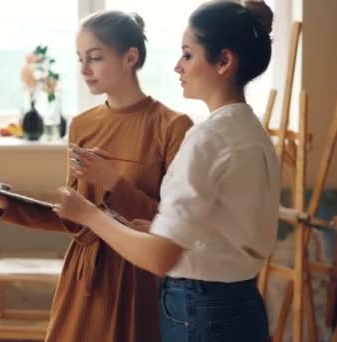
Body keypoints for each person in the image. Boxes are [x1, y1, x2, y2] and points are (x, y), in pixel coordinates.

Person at [0, 9, 193, 342]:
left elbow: (170, 227)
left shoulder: (172, 127)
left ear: (131, 57)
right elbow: (73, 218)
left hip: (138, 280)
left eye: (95, 58)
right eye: (80, 58)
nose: (84, 69)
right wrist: (2, 200)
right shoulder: (82, 126)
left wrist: (114, 182)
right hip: (83, 279)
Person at [54, 1, 279, 341]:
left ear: (224, 61)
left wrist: (90, 215)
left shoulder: (203, 138)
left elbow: (159, 258)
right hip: (241, 304)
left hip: (199, 312)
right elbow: (229, 231)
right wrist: (161, 229)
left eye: (188, 54)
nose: (177, 66)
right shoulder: (251, 131)